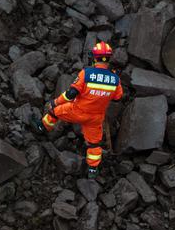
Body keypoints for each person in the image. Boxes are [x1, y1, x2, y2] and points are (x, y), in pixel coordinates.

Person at [33, 41, 123, 177]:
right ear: (108, 59)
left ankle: (42, 127)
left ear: (95, 57)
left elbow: (70, 94)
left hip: (76, 111)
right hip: (95, 118)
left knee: (54, 112)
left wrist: (55, 102)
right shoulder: (115, 79)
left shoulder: (86, 73)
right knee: (94, 144)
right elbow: (117, 98)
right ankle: (93, 170)